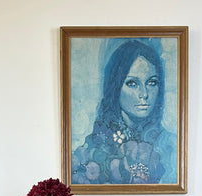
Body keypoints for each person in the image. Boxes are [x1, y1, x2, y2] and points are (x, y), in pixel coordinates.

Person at [71, 39, 177, 185]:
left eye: (152, 82)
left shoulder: (172, 146)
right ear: (115, 87)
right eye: (132, 83)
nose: (144, 94)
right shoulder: (90, 150)